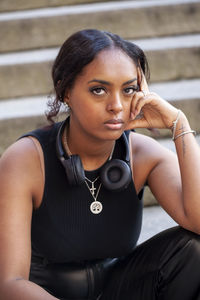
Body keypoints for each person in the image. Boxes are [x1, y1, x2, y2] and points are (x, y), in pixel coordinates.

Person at [0, 29, 200, 300]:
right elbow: (10, 282)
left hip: (119, 291)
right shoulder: (25, 161)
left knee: (193, 248)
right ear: (66, 91)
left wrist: (180, 124)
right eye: (99, 90)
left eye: (128, 90)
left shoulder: (142, 155)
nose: (116, 105)